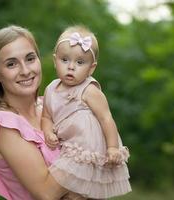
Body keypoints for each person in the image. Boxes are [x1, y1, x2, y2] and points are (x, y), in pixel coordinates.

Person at [0, 25, 70, 200]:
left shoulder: (50, 105)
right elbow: (47, 192)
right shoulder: (6, 125)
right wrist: (88, 158)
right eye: (11, 64)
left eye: (30, 59)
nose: (26, 70)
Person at [41, 25, 132, 199]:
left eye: (80, 62)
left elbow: (106, 119)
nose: (71, 67)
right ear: (55, 61)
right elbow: (46, 116)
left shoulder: (89, 90)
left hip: (88, 150)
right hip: (68, 147)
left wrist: (112, 147)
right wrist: (47, 130)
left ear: (91, 68)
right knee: (70, 195)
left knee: (71, 192)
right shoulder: (51, 89)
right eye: (65, 60)